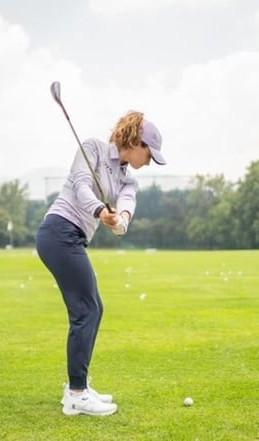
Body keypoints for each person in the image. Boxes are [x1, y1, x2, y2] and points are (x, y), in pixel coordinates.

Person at [35, 110, 166, 416]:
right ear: (136, 142)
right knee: (86, 309)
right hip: (58, 231)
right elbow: (81, 186)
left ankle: (77, 386)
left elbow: (127, 204)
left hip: (72, 237)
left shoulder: (127, 179)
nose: (149, 161)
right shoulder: (92, 148)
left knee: (94, 307)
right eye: (149, 153)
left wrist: (121, 220)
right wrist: (99, 211)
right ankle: (77, 394)